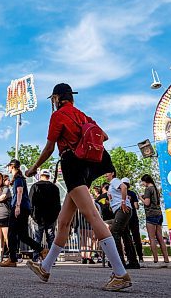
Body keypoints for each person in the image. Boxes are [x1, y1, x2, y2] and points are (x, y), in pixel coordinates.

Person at [25, 83, 132, 291]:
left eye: (53, 99)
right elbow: (105, 136)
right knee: (64, 221)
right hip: (88, 166)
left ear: (56, 98)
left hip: (72, 164)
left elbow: (49, 147)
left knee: (92, 215)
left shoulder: (58, 116)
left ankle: (120, 274)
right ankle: (45, 268)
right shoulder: (82, 115)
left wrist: (33, 168)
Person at [0, 159, 47, 268]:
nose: (8, 169)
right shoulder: (19, 178)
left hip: (19, 207)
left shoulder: (18, 178)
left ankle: (12, 259)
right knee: (23, 236)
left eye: (9, 166)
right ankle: (42, 250)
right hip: (23, 208)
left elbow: (19, 192)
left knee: (11, 233)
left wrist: (17, 206)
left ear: (12, 166)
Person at [105, 170, 140, 269]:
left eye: (106, 173)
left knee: (115, 232)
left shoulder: (115, 181)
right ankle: (133, 261)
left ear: (112, 173)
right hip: (119, 210)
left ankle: (119, 260)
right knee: (125, 234)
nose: (105, 175)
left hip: (123, 209)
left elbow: (124, 187)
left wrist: (123, 202)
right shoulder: (112, 185)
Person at [29, 169, 61, 262]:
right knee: (51, 238)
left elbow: (30, 202)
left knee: (37, 238)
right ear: (49, 176)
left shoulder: (35, 186)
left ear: (40, 175)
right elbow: (58, 204)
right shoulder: (55, 188)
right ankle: (52, 259)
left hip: (38, 217)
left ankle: (36, 258)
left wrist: (32, 215)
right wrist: (55, 216)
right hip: (51, 217)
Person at [140, 174, 169, 265]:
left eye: (143, 182)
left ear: (146, 181)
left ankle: (155, 259)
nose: (142, 184)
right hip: (159, 214)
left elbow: (147, 203)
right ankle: (166, 258)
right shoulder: (156, 189)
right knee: (160, 237)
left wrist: (140, 197)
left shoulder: (148, 189)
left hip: (151, 215)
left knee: (152, 238)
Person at [121, 178, 144, 264]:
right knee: (136, 237)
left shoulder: (121, 193)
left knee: (126, 237)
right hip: (133, 216)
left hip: (125, 217)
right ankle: (140, 256)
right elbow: (136, 206)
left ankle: (129, 257)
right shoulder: (133, 193)